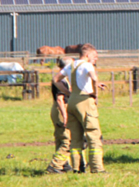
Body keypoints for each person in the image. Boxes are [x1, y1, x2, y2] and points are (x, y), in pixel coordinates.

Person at [60, 43, 108, 174]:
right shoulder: (87, 65)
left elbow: (55, 79)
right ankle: (97, 168)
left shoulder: (70, 65)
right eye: (94, 56)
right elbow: (93, 76)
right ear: (87, 55)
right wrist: (94, 93)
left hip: (72, 101)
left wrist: (67, 92)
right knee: (93, 135)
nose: (96, 59)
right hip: (85, 102)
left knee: (75, 138)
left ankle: (77, 168)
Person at [44, 58, 73, 174]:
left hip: (55, 109)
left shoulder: (61, 78)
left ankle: (64, 164)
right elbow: (60, 99)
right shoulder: (61, 80)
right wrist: (65, 115)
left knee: (59, 139)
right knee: (67, 141)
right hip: (61, 109)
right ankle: (54, 165)